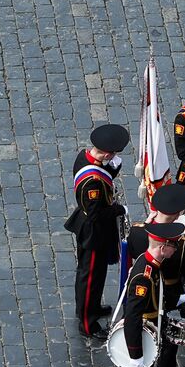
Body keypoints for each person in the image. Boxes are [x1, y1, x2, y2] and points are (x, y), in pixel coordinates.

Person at [118, 221, 185, 367]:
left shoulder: (152, 264)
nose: (175, 250)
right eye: (173, 247)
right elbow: (133, 317)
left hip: (150, 330)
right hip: (140, 335)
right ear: (163, 246)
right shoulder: (144, 276)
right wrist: (135, 354)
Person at [65, 123, 129, 339]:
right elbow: (96, 214)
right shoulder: (92, 182)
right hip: (93, 230)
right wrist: (119, 209)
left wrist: (112, 167)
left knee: (96, 273)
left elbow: (105, 174)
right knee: (90, 276)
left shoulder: (84, 157)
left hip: (93, 227)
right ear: (107, 152)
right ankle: (87, 322)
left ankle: (91, 307)